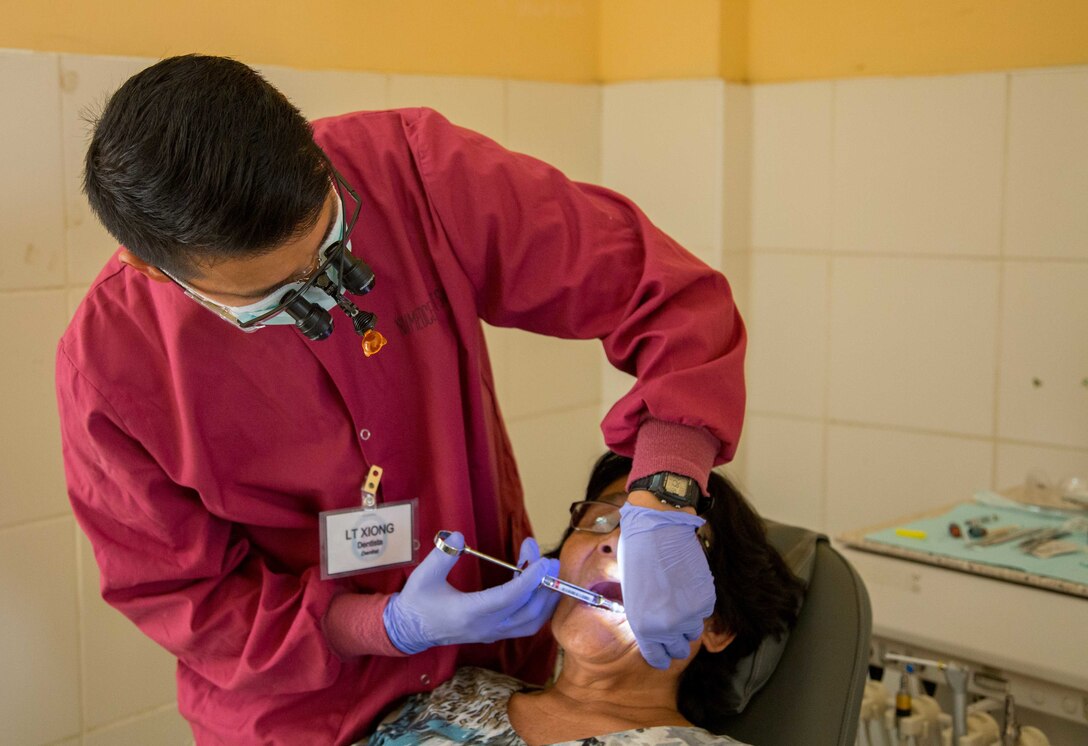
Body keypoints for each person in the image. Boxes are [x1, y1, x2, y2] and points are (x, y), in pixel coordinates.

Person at [56, 55, 747, 744]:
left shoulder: (416, 175)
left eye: (331, 250)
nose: (326, 292)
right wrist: (382, 624)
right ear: (150, 267)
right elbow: (190, 602)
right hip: (302, 714)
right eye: (278, 296)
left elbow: (668, 298)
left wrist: (664, 497)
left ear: (312, 151)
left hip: (491, 670)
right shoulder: (112, 373)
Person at [367, 451, 805, 745]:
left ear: (717, 625)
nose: (615, 541)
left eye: (665, 541)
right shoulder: (456, 692)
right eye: (600, 518)